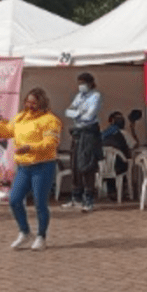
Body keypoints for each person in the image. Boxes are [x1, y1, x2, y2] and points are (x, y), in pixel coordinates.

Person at [0, 88, 61, 251]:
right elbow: (8, 131)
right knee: (14, 200)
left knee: (40, 203)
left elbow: (51, 143)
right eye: (28, 101)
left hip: (43, 165)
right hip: (24, 166)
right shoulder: (21, 117)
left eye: (34, 102)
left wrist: (30, 148)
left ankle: (41, 236)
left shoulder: (50, 120)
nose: (30, 105)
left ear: (42, 102)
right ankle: (25, 232)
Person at [63, 72, 102, 212]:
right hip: (78, 133)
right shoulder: (78, 96)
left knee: (87, 165)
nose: (81, 86)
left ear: (91, 83)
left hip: (89, 133)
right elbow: (67, 111)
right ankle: (76, 197)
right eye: (79, 83)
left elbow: (89, 116)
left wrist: (76, 114)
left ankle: (89, 198)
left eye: (83, 83)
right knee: (75, 165)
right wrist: (79, 114)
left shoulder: (95, 96)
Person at [101, 111, 134, 201]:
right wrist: (133, 129)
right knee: (125, 162)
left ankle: (111, 191)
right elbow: (134, 145)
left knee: (111, 164)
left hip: (104, 168)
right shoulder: (125, 133)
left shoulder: (104, 134)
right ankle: (124, 190)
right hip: (119, 167)